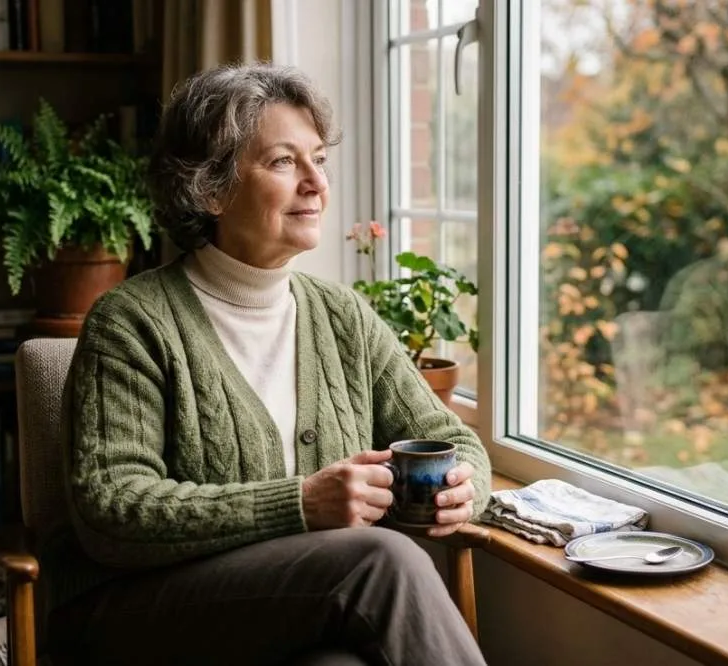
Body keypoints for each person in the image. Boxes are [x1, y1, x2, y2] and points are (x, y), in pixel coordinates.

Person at [45, 62, 492, 666]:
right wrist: (301, 503)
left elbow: (452, 441)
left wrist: (463, 488)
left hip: (295, 611)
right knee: (383, 560)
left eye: (318, 159)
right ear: (210, 188)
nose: (315, 182)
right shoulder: (131, 321)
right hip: (141, 614)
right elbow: (112, 508)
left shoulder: (343, 316)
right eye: (284, 162)